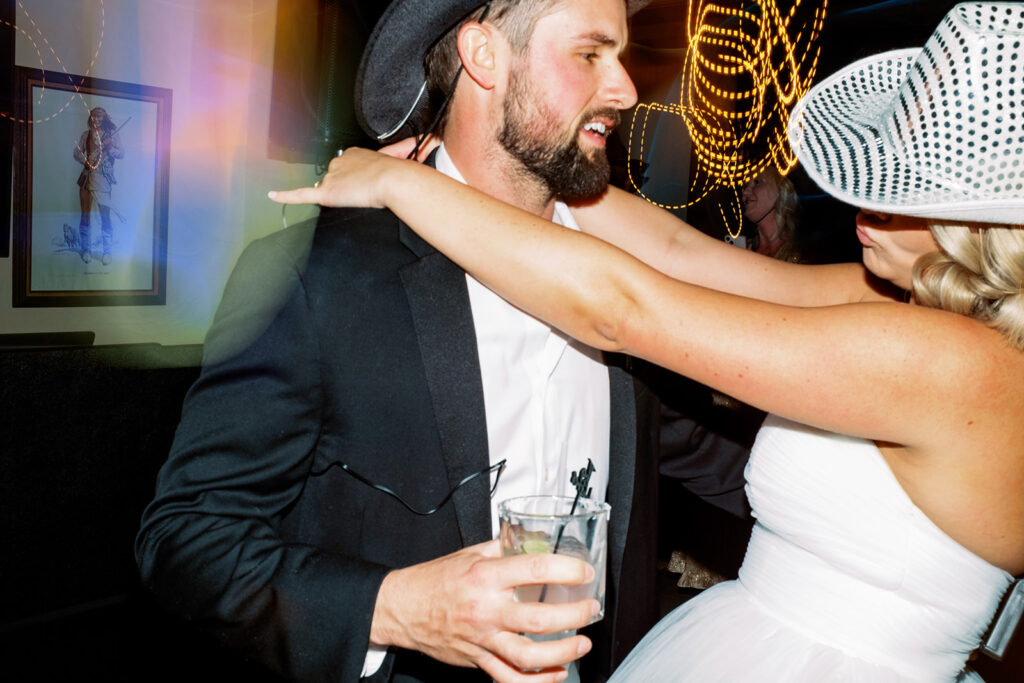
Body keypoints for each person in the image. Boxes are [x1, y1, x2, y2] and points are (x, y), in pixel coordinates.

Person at [272, 3, 1024, 680]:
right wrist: (484, 153)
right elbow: (684, 257)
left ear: (984, 222)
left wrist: (401, 186)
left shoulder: (955, 360)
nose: (868, 199)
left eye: (909, 188)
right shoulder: (931, 304)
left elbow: (623, 308)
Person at [136, 1, 682, 682]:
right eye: (590, 54)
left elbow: (714, 447)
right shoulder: (314, 273)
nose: (626, 88)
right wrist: (398, 608)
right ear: (485, 56)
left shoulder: (638, 293)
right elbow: (186, 539)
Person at [73, 106, 123, 265]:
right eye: (94, 116)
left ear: (105, 118)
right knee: (85, 215)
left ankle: (107, 251)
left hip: (103, 179)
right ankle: (86, 249)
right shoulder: (85, 135)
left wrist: (109, 147)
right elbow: (77, 152)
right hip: (87, 178)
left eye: (100, 116)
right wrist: (85, 161)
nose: (97, 119)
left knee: (105, 217)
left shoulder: (113, 136)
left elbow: (122, 154)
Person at [740, 165, 801, 261]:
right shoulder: (742, 248)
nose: (745, 192)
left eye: (757, 182)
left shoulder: (800, 255)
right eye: (746, 185)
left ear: (780, 191)